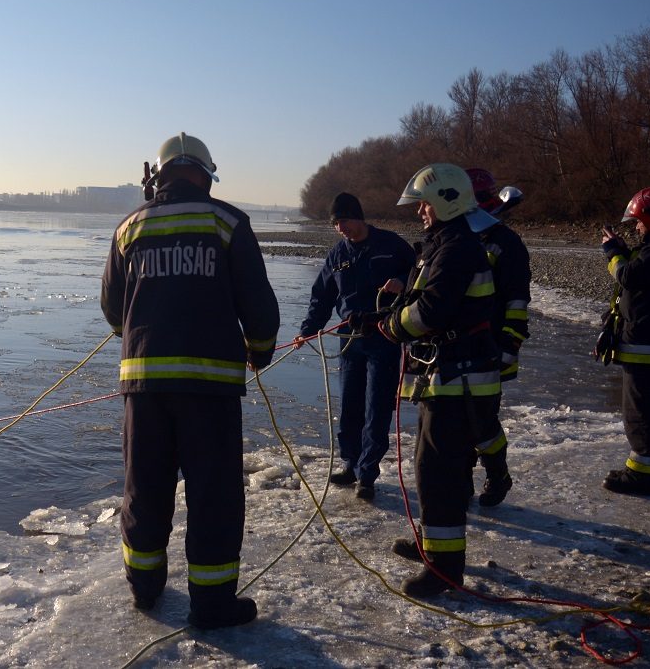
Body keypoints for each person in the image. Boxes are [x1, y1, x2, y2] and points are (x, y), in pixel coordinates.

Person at [101, 132, 280, 629]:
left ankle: (144, 588)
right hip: (210, 388)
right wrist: (260, 349)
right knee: (213, 493)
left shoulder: (130, 227)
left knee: (145, 488)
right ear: (205, 175)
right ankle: (212, 604)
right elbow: (258, 304)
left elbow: (113, 308)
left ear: (157, 176)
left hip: (144, 387)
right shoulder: (228, 222)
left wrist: (138, 333)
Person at [380, 163, 501, 597]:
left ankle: (445, 569)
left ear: (448, 201)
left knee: (440, 474)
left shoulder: (457, 248)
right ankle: (433, 547)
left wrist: (392, 327)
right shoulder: (444, 245)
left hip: (459, 379)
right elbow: (425, 298)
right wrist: (386, 311)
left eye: (425, 204)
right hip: (447, 377)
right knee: (430, 468)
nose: (420, 212)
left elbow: (431, 311)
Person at [296, 192, 415, 501]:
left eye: (344, 221)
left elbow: (421, 272)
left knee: (376, 407)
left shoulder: (391, 245)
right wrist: (308, 331)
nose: (340, 228)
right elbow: (321, 297)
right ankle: (351, 463)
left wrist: (403, 281)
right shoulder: (337, 255)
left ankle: (367, 473)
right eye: (335, 224)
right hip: (350, 338)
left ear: (358, 217)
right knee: (350, 405)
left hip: (384, 336)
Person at [463, 168, 532, 506]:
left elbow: (518, 301)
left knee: (482, 421)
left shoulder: (506, 243)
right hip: (456, 347)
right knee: (454, 419)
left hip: (491, 347)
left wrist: (509, 345)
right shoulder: (458, 238)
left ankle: (498, 474)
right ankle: (461, 479)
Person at [599, 187, 650, 495]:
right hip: (643, 344)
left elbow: (629, 276)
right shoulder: (648, 252)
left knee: (639, 414)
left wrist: (613, 253)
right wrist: (622, 249)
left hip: (644, 348)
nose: (637, 227)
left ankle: (641, 474)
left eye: (640, 221)